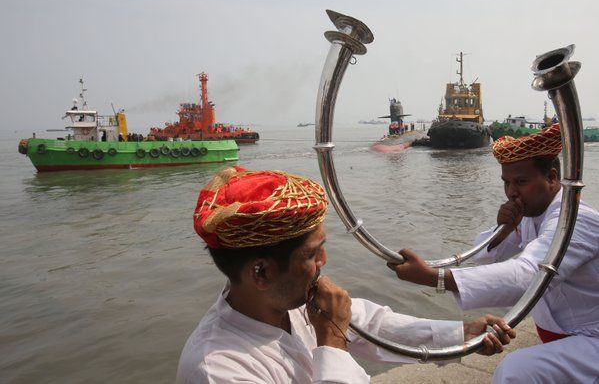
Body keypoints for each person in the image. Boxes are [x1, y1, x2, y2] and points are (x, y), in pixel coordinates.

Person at [176, 167, 515, 383]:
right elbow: (345, 331)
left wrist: (460, 336)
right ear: (261, 272)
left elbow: (372, 325)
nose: (324, 260)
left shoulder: (286, 299)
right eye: (311, 254)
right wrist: (333, 342)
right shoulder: (216, 369)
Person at [388, 123, 599, 383]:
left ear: (552, 178)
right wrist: (505, 230)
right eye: (506, 183)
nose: (511, 192)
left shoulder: (575, 221)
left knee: (516, 370)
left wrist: (435, 278)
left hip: (592, 340)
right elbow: (484, 255)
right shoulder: (533, 213)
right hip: (568, 338)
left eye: (521, 181)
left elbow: (529, 274)